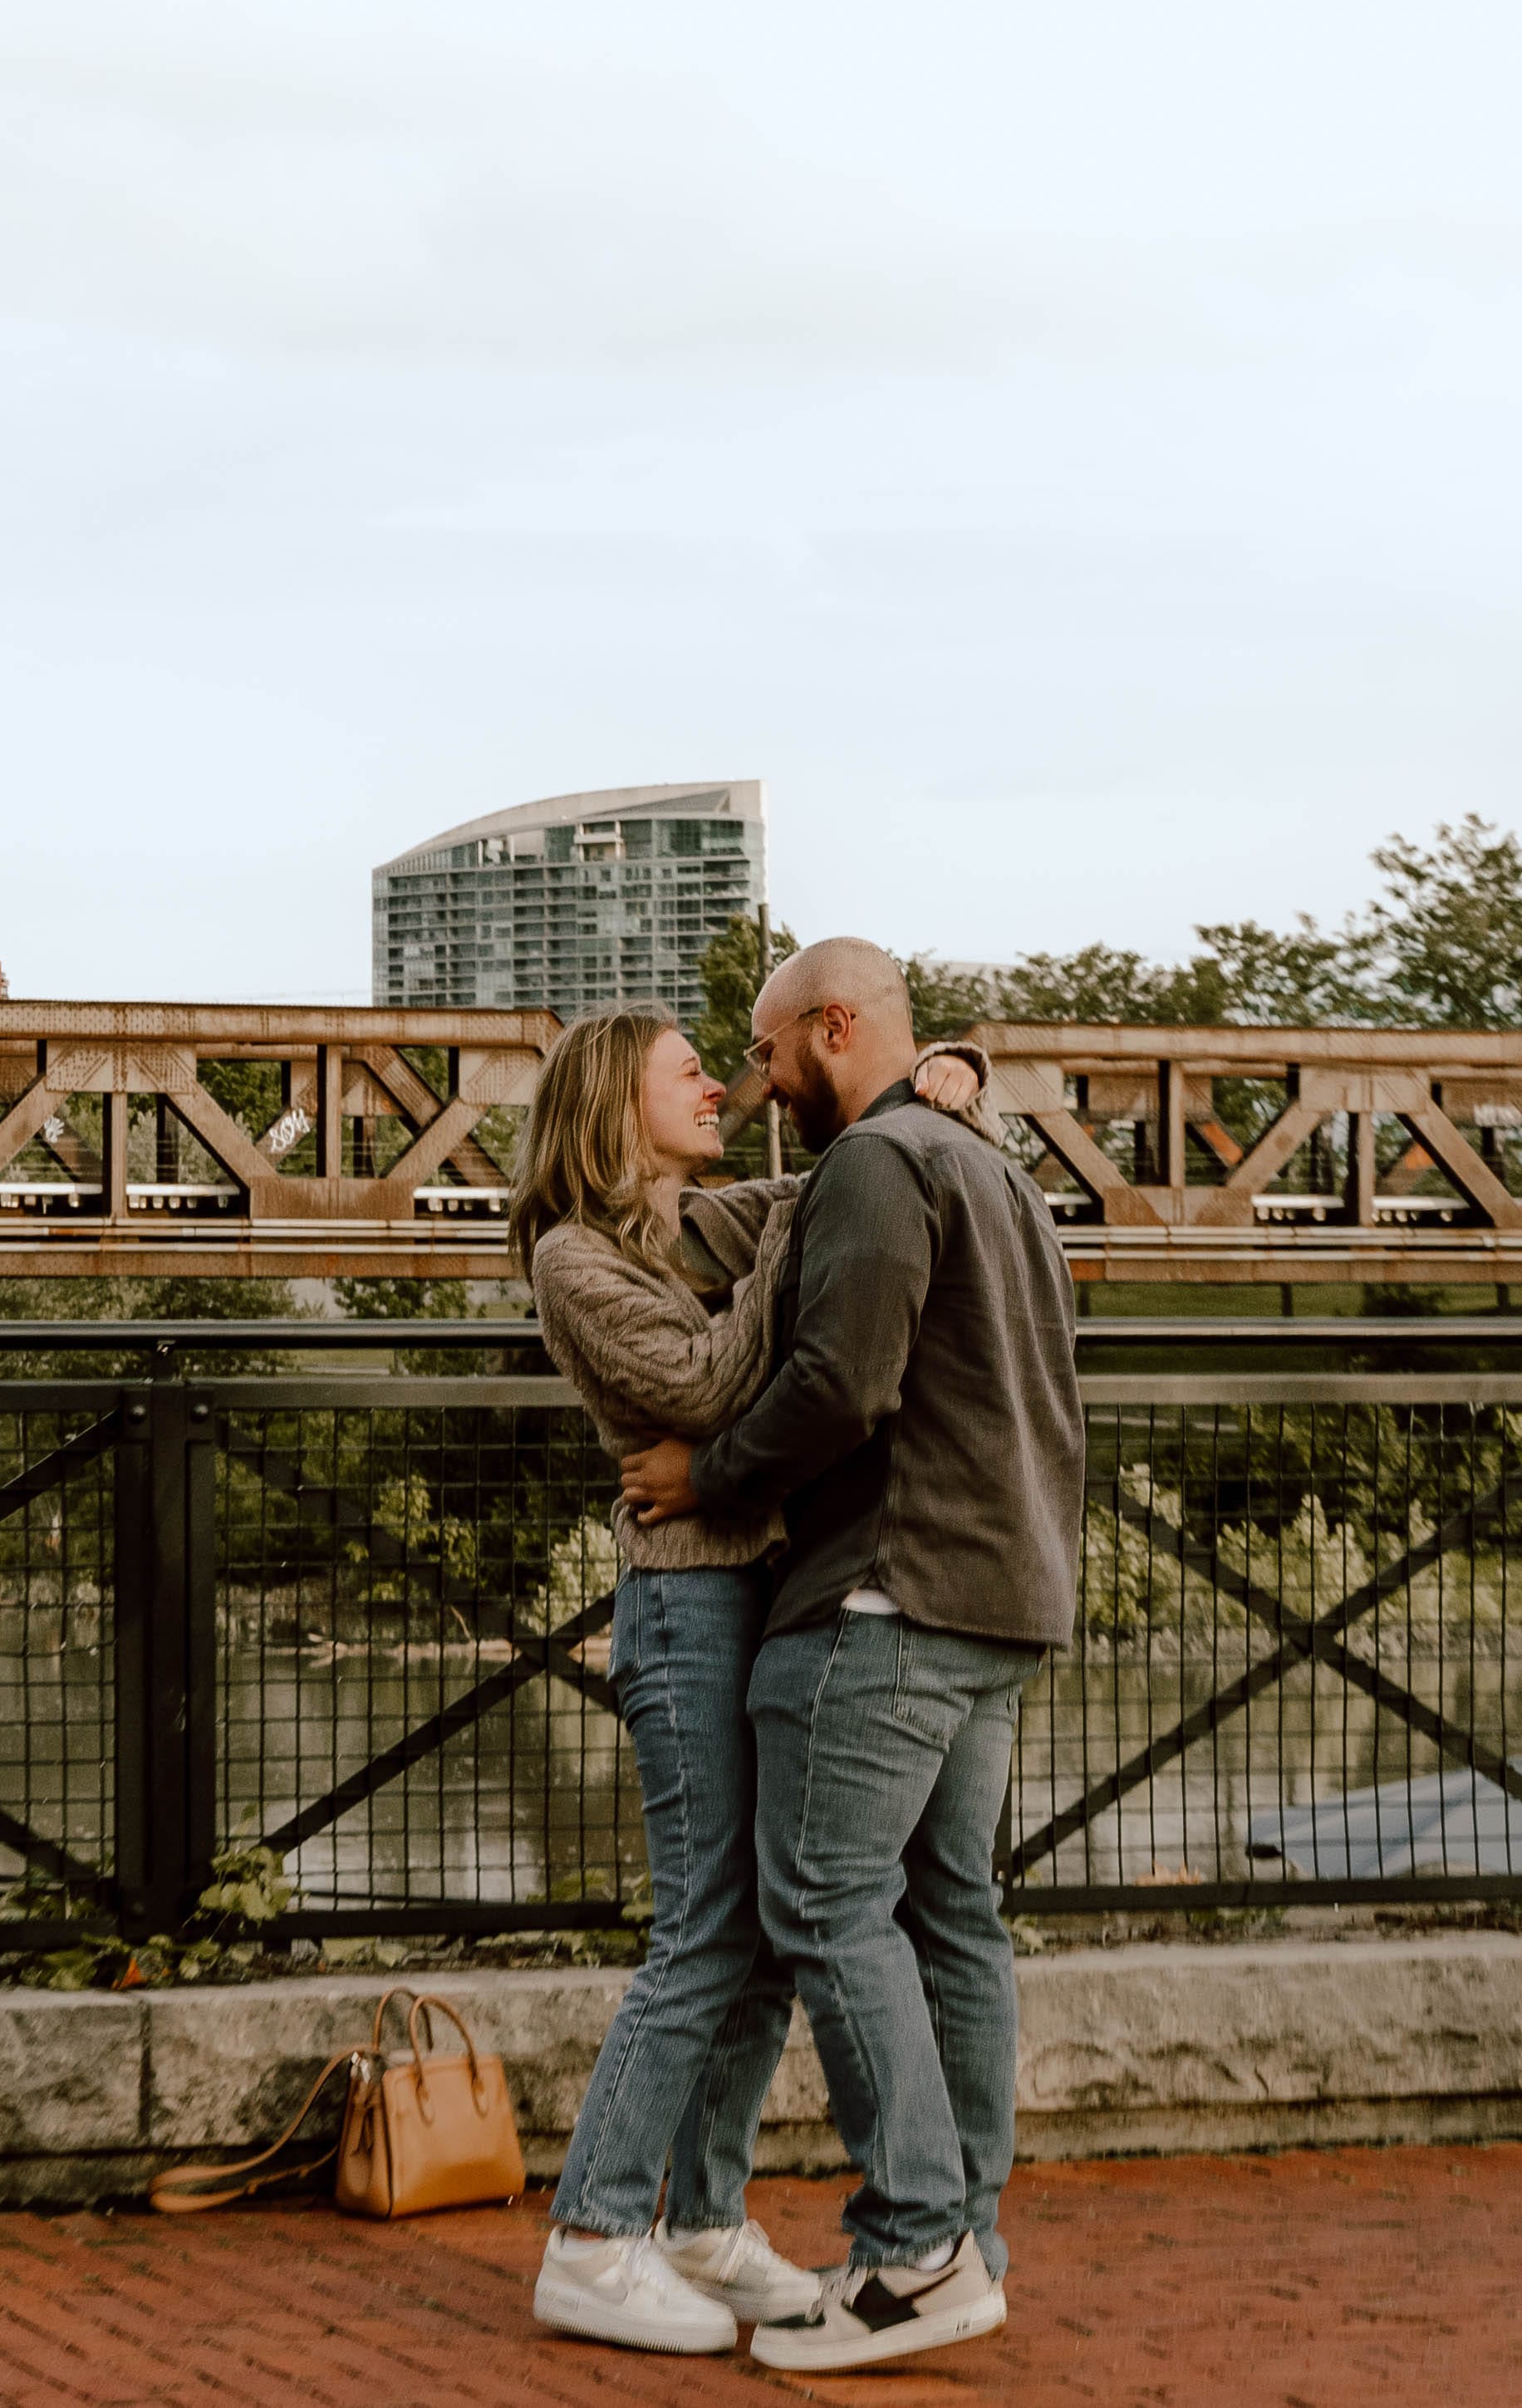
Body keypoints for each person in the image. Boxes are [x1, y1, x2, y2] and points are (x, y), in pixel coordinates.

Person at [621, 937, 1083, 2376]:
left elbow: (844, 1380)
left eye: (767, 1051)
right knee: (952, 1913)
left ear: (833, 1027)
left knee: (822, 1901)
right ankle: (966, 2243)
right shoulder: (991, 1167)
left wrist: (712, 1477)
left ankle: (915, 2249)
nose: (758, 1082)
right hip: (1001, 1587)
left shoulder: (878, 1164)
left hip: (886, 1585)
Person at [510, 1005, 990, 2357]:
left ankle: (704, 2220)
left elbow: (856, 1169)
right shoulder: (574, 1259)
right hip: (683, 1610)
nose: (719, 1082)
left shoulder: (686, 1226)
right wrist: (798, 1229)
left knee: (772, 1928)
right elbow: (718, 1382)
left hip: (753, 1594)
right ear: (616, 1101)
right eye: (687, 1071)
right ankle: (592, 2235)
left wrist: (950, 1073)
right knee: (704, 1930)